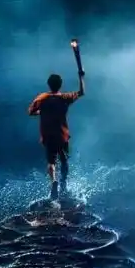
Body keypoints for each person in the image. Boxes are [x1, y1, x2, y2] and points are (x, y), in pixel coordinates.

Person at [28, 70, 85, 199]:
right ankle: (64, 183)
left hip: (48, 134)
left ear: (48, 84)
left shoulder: (42, 99)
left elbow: (31, 112)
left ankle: (54, 180)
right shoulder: (65, 98)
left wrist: (41, 112)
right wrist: (81, 77)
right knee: (64, 160)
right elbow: (81, 92)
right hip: (62, 134)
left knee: (51, 162)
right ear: (60, 85)